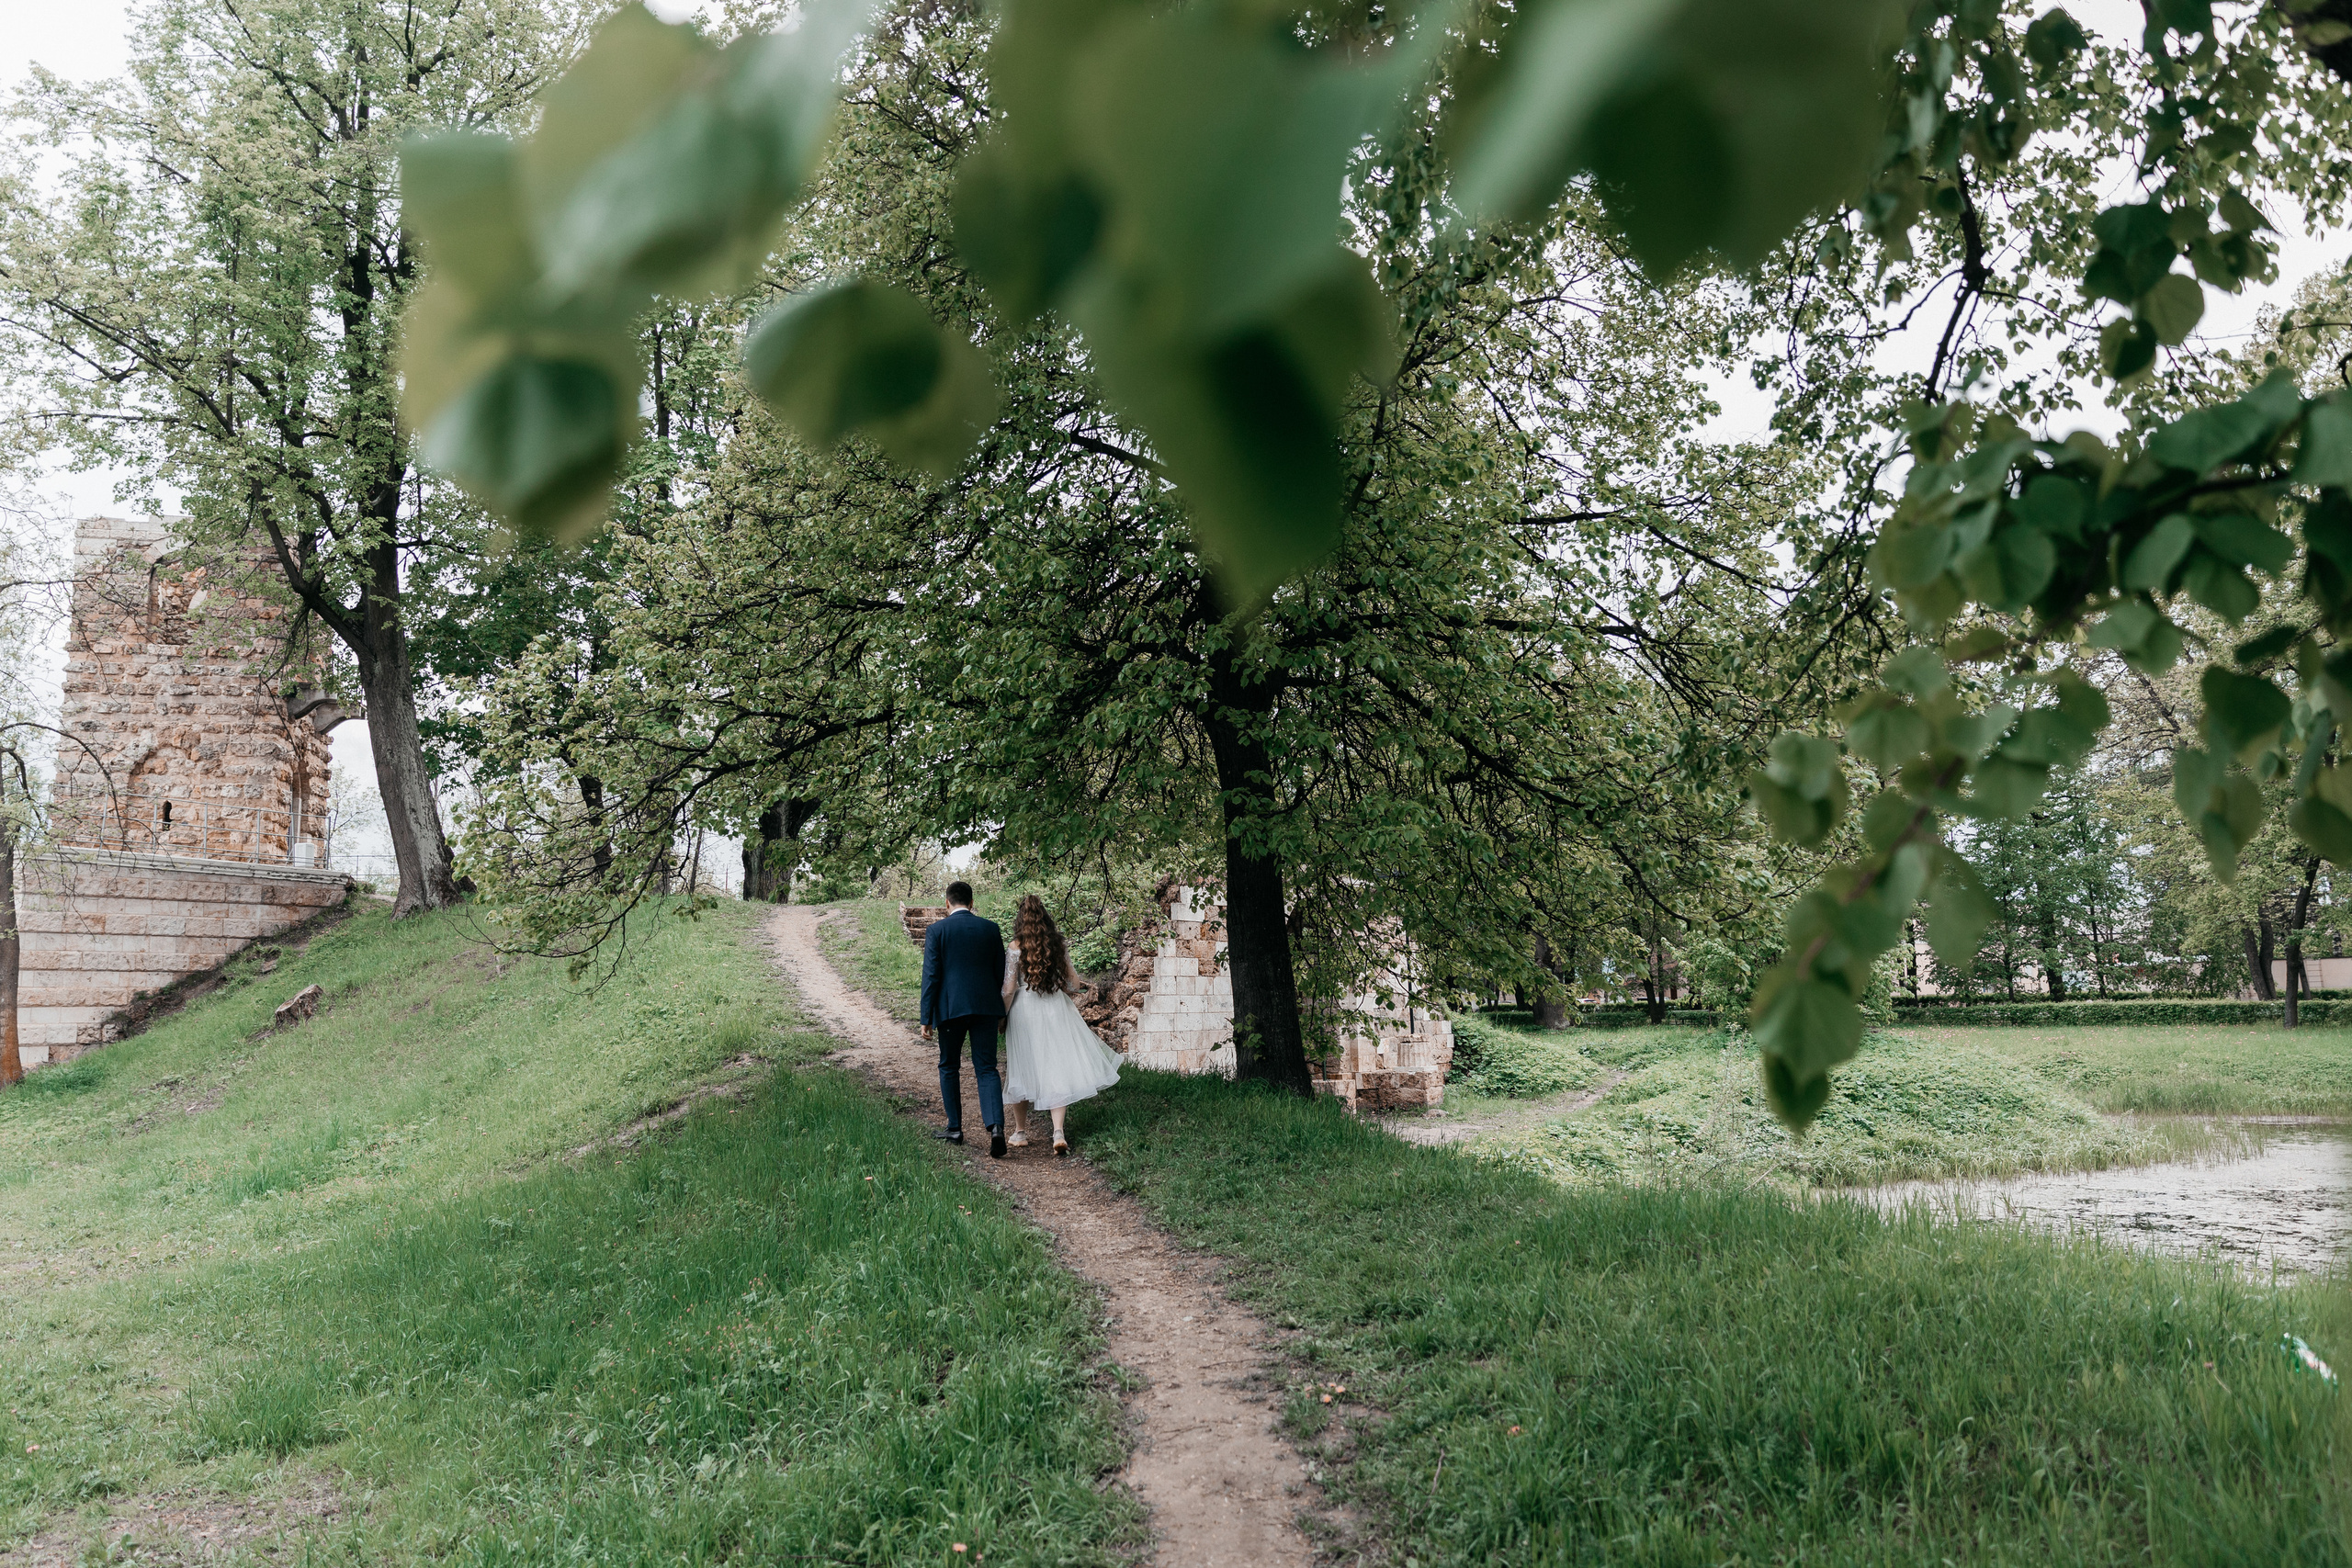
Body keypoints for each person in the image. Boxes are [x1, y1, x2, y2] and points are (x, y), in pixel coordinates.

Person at [1001, 894, 1123, 1156]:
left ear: (1020, 920)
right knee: (1055, 1066)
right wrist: (1059, 987)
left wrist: (1002, 1017)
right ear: (1045, 918)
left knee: (1021, 1065)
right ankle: (1058, 1132)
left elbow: (1009, 989)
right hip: (1055, 1007)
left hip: (1024, 1011)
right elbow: (1074, 984)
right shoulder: (1057, 944)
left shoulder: (1015, 947)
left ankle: (1020, 1132)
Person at [920, 880, 1009, 1158]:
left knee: (949, 1065)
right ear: (972, 903)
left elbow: (931, 976)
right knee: (987, 1068)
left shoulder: (937, 930)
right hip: (986, 1007)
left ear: (946, 903)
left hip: (950, 1008)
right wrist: (998, 1008)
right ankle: (996, 1127)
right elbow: (1000, 972)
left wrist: (926, 1016)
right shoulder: (990, 928)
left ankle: (955, 1128)